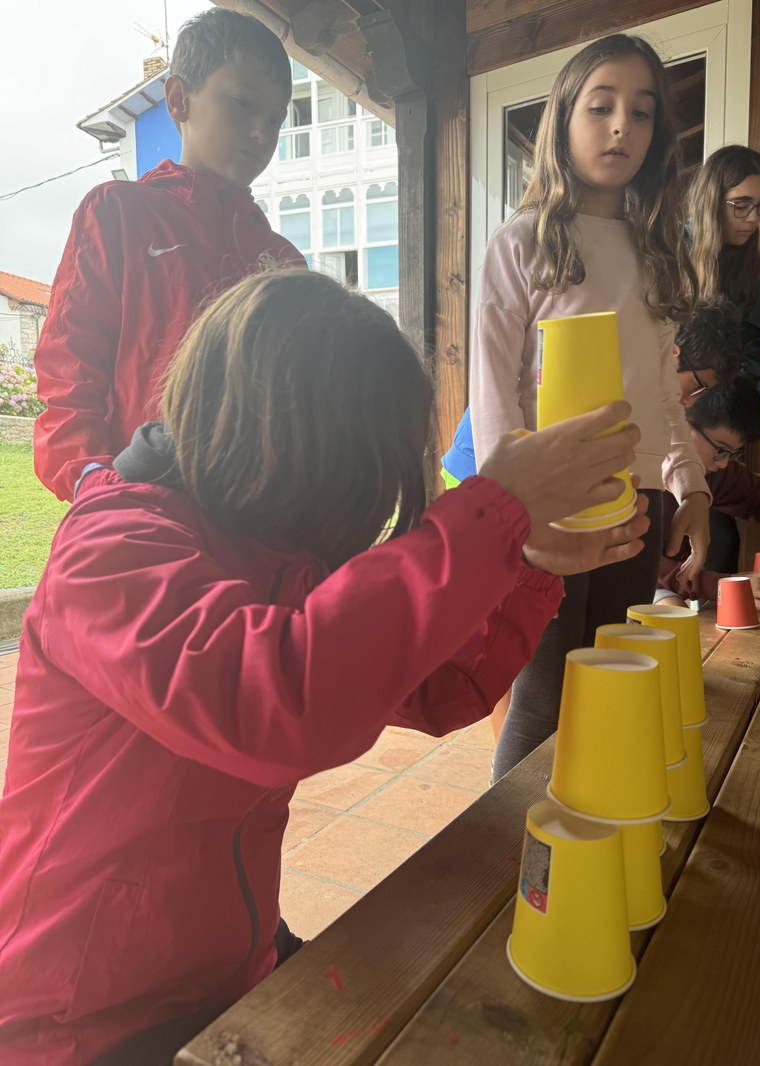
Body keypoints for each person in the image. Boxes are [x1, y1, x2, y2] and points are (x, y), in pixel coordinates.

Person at [0, 270, 649, 1065]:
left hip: (223, 965)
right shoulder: (112, 551)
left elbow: (443, 685)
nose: (375, 504)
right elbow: (279, 702)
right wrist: (488, 512)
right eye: (366, 470)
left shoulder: (275, 551)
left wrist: (529, 560)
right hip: (81, 1015)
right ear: (285, 440)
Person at [466, 34, 711, 781]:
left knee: (608, 677)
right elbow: (495, 394)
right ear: (563, 119)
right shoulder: (522, 243)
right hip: (552, 503)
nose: (620, 128)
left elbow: (662, 395)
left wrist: (691, 485)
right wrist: (518, 509)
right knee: (542, 695)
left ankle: (584, 849)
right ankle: (515, 868)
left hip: (636, 501)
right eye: (601, 106)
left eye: (640, 113)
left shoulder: (660, 249)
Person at [33, 7, 305, 503]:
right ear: (179, 99)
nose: (262, 133)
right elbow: (69, 370)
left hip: (252, 525)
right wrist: (94, 485)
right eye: (243, 105)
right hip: (135, 511)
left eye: (275, 118)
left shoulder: (283, 261)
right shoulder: (117, 214)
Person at [441, 296, 743, 487]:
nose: (690, 402)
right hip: (479, 469)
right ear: (675, 353)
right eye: (698, 387)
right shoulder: (614, 356)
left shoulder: (641, 363)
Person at [686, 144, 760, 438]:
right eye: (741, 204)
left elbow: (747, 350)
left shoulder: (753, 272)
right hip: (651, 401)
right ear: (710, 201)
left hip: (713, 420)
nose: (753, 218)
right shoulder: (666, 254)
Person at [657, 375, 760, 608]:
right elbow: (640, 565)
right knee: (672, 610)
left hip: (674, 585)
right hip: (622, 587)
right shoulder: (638, 468)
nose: (723, 463)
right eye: (720, 450)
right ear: (681, 420)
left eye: (731, 454)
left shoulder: (712, 472)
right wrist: (721, 585)